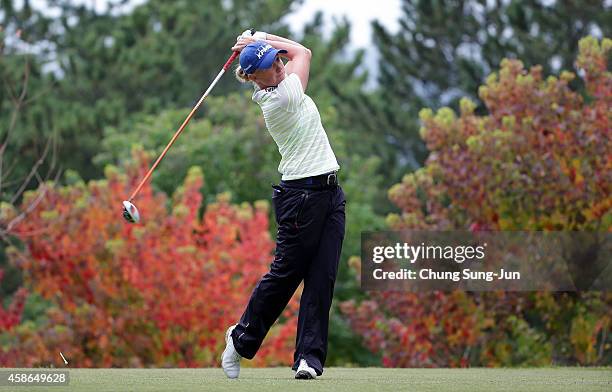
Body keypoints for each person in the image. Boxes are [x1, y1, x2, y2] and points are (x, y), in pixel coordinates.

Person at [220, 30, 346, 380]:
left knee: (322, 278)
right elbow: (302, 50)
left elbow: (292, 55)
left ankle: (309, 359)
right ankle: (240, 337)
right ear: (254, 79)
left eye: (276, 61)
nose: (277, 68)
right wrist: (260, 36)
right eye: (268, 66)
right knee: (286, 275)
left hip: (331, 193)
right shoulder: (279, 98)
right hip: (300, 199)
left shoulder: (282, 80)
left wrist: (258, 42)